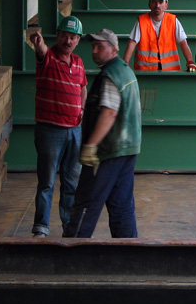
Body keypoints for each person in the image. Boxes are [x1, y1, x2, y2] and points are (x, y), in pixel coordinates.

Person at [64, 29, 142, 238]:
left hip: (107, 151)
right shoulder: (125, 70)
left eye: (100, 47)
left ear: (114, 49)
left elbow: (109, 111)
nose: (95, 51)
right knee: (122, 203)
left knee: (87, 201)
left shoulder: (110, 75)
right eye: (93, 47)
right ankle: (128, 251)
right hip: (128, 149)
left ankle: (72, 249)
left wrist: (91, 145)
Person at [29, 15, 88, 237]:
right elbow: (41, 51)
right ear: (58, 36)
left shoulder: (79, 63)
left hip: (74, 131)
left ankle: (69, 226)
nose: (68, 41)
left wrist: (81, 109)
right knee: (46, 182)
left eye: (73, 37)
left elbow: (83, 86)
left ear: (78, 40)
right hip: (50, 131)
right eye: (65, 36)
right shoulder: (48, 58)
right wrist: (39, 42)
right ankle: (41, 227)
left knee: (72, 183)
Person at [123, 0, 196, 72]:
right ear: (149, 5)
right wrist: (125, 62)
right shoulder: (141, 21)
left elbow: (183, 43)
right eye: (154, 2)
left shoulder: (173, 20)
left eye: (160, 2)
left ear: (166, 5)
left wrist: (190, 62)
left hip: (170, 72)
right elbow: (132, 43)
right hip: (146, 72)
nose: (157, 5)